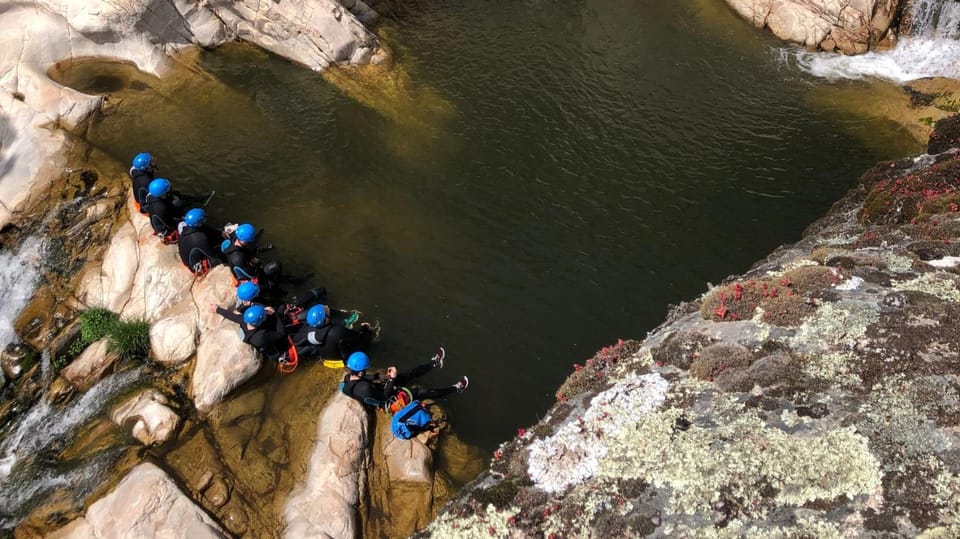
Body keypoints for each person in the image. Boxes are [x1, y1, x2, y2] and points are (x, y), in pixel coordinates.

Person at [340, 351, 467, 411]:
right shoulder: (364, 389)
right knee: (422, 391)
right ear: (361, 371)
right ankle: (456, 388)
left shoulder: (349, 379)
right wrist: (393, 379)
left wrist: (378, 376)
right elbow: (385, 397)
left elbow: (362, 378)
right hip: (388, 403)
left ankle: (434, 363)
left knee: (408, 375)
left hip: (379, 392)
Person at [209, 302, 289, 363]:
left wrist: (217, 309)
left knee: (282, 308)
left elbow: (231, 316)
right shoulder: (261, 337)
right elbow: (281, 334)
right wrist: (275, 314)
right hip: (271, 347)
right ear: (259, 322)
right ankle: (280, 357)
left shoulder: (244, 320)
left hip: (257, 336)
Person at [290, 304, 372, 361]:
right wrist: (364, 328)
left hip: (326, 358)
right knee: (364, 334)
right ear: (325, 319)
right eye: (326, 311)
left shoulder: (310, 331)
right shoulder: (337, 331)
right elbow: (356, 336)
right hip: (341, 359)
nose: (327, 308)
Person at [177, 208, 225, 274]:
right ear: (199, 223)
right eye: (204, 219)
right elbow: (213, 256)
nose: (205, 220)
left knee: (212, 235)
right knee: (221, 253)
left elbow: (207, 229)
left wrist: (220, 233)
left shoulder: (185, 230)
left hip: (189, 256)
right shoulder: (199, 238)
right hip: (195, 265)